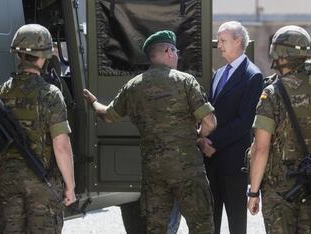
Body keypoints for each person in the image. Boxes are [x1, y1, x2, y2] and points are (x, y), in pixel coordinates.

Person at [83, 30, 216, 233]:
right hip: (188, 171)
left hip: (154, 173)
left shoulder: (134, 86)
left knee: (156, 227)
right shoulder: (186, 82)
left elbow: (108, 115)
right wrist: (197, 135)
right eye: (176, 51)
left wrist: (93, 102)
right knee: (201, 226)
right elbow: (210, 122)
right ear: (168, 51)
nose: (178, 56)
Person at [0, 24, 76, 233]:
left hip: (9, 184)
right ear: (43, 55)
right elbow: (61, 146)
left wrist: (7, 172)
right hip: (42, 185)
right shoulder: (50, 94)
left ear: (17, 54)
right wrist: (70, 186)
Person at [247, 25, 311, 233]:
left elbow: (261, 148)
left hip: (279, 189)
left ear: (279, 54)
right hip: (309, 184)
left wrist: (253, 192)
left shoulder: (272, 94)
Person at [198, 21, 263, 234]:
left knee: (236, 223)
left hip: (234, 162)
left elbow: (244, 121)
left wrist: (213, 143)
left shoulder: (252, 75)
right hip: (212, 161)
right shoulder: (219, 74)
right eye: (218, 41)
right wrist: (202, 139)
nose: (219, 46)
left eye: (224, 41)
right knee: (211, 221)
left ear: (238, 41)